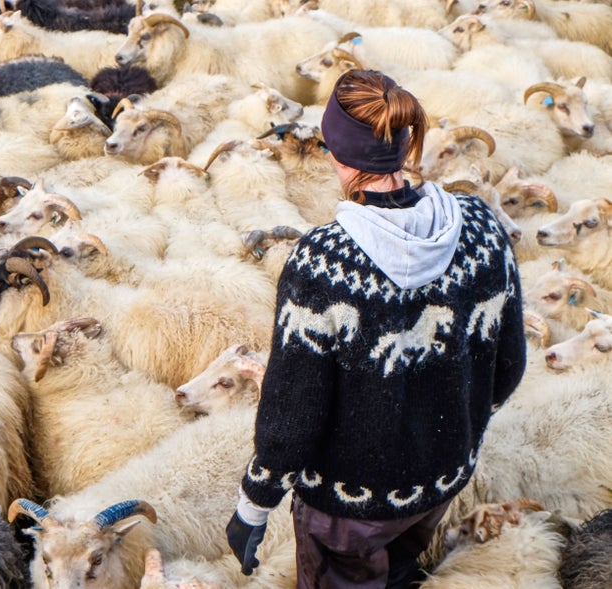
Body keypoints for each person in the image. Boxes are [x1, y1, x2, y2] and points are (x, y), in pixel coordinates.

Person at [225, 69, 527, 589]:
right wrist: (452, 429)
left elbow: (293, 411)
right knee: (403, 570)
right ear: (406, 143)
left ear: (334, 153)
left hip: (348, 507)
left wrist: (255, 504)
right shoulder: (482, 227)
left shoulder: (323, 264)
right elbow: (510, 365)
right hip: (442, 480)